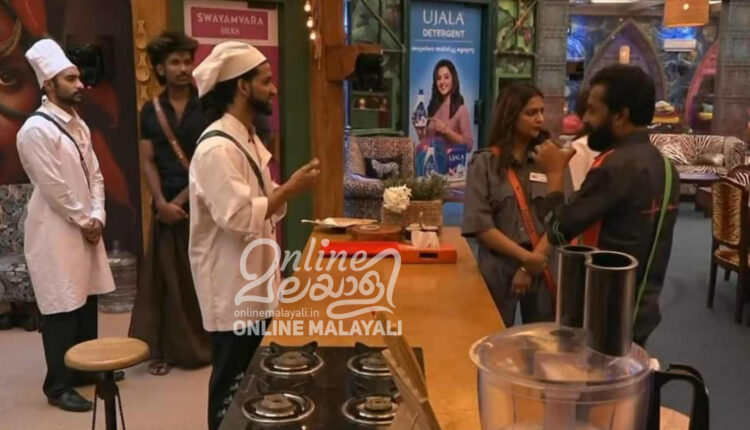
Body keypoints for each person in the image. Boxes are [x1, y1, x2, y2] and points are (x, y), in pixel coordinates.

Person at [189, 41, 320, 430]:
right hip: (231, 286)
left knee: (254, 381)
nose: (274, 89)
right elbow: (240, 216)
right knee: (231, 384)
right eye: (266, 81)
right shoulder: (216, 149)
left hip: (257, 281)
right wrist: (289, 189)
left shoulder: (245, 137)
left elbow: (266, 202)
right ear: (242, 86)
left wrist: (282, 193)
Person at [533, 65, 680, 345]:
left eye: (593, 110)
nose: (585, 119)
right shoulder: (665, 165)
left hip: (603, 314)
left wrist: (554, 174)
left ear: (620, 115)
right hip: (640, 310)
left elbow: (558, 231)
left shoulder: (614, 166)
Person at [16, 39, 116, 412]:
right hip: (55, 231)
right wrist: (85, 219)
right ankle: (58, 386)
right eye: (70, 79)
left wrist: (98, 216)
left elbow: (96, 176)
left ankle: (85, 369)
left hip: (86, 226)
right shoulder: (34, 130)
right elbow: (53, 186)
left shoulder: (79, 125)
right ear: (48, 84)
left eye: (78, 77)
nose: (80, 84)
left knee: (86, 299)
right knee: (61, 305)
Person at [128, 31, 210, 376]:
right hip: (164, 207)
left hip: (202, 202)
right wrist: (161, 202)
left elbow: (210, 159)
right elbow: (147, 160)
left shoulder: (207, 106)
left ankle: (204, 346)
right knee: (166, 279)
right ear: (160, 68)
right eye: (175, 62)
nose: (183, 68)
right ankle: (164, 351)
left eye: (187, 61)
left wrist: (180, 200)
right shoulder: (151, 111)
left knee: (199, 277)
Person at [462, 82, 558, 327]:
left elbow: (560, 218)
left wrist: (529, 266)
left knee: (542, 340)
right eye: (531, 113)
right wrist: (525, 258)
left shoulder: (550, 160)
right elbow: (481, 225)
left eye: (542, 111)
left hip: (542, 262)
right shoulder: (485, 163)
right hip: (499, 265)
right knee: (492, 334)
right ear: (511, 116)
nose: (540, 119)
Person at [423, 59, 473, 149]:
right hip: (432, 158)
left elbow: (469, 145)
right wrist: (420, 133)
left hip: (452, 158)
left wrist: (446, 131)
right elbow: (427, 145)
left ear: (453, 79)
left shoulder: (461, 110)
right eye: (439, 78)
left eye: (446, 77)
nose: (442, 82)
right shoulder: (433, 108)